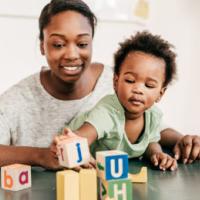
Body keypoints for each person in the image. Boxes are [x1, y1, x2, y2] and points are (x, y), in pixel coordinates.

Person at [0, 0, 199, 170]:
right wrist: (41, 156)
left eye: (82, 44)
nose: (71, 54)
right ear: (42, 45)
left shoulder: (120, 80)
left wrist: (182, 140)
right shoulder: (17, 100)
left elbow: (150, 127)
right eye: (59, 44)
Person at [54, 31, 179, 171]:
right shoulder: (108, 112)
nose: (138, 89)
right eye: (130, 80)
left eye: (149, 85)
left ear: (160, 93)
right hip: (65, 154)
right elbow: (80, 138)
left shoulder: (154, 115)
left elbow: (150, 141)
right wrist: (80, 152)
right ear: (115, 82)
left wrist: (157, 154)